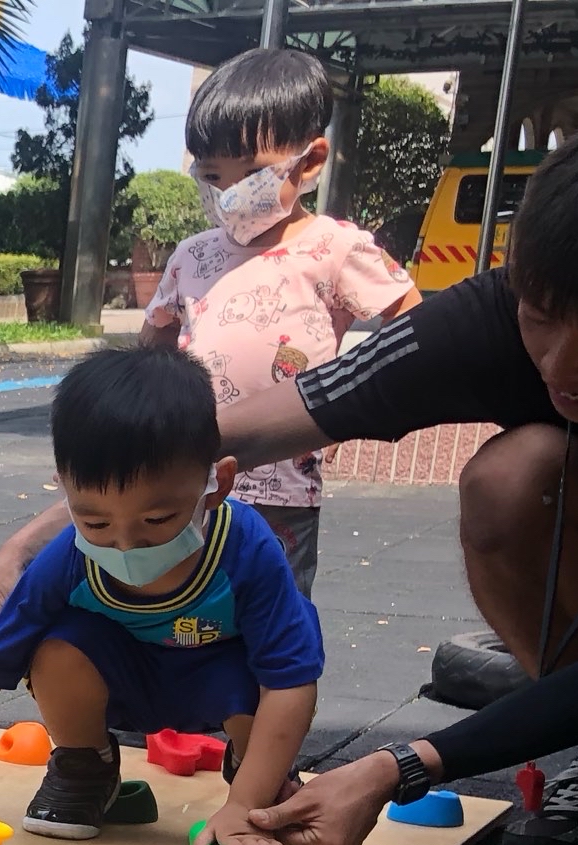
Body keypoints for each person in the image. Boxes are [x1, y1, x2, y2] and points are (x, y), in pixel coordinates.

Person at [0, 110, 578, 845]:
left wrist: (399, 766)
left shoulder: (245, 544)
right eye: (540, 319)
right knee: (515, 475)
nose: (562, 366)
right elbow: (249, 424)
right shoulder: (494, 316)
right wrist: (35, 542)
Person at [0, 347, 321, 845]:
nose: (125, 544)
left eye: (157, 520)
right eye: (95, 522)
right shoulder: (67, 558)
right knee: (53, 647)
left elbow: (291, 682)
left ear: (217, 484)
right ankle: (86, 766)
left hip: (222, 684)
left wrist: (244, 806)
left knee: (272, 676)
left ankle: (258, 779)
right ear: (64, 490)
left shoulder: (247, 549)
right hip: (120, 687)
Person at [140, 46, 422, 595]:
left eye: (251, 174)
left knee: (277, 612)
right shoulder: (193, 255)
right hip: (189, 480)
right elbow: (151, 347)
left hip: (283, 487)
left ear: (309, 162)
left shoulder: (334, 248)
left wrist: (352, 404)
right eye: (212, 175)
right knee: (182, 608)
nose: (228, 193)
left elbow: (414, 325)